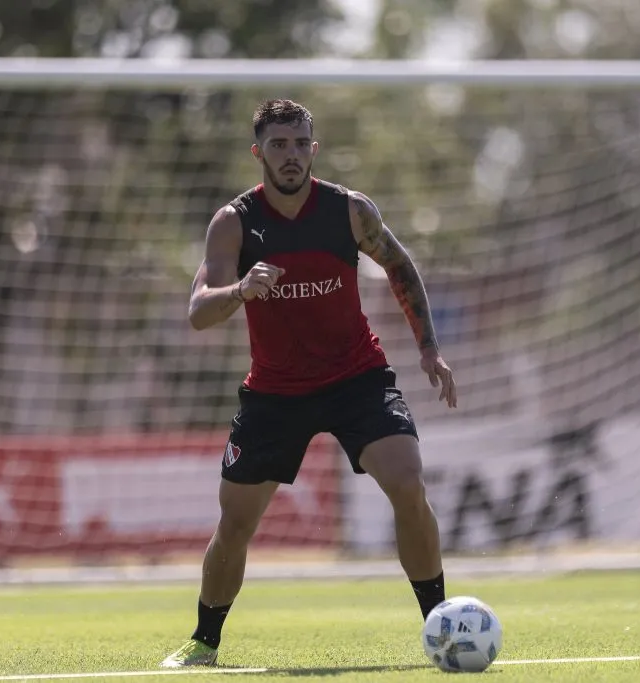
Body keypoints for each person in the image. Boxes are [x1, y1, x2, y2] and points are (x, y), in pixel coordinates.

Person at [161, 99, 458, 668]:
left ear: (313, 149)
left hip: (357, 378)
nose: (291, 155)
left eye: (301, 144)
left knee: (407, 482)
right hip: (275, 391)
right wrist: (242, 289)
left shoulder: (349, 210)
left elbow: (399, 266)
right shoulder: (234, 222)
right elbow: (198, 311)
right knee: (236, 522)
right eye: (279, 145)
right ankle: (204, 641)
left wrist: (429, 350)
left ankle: (441, 626)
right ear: (259, 153)